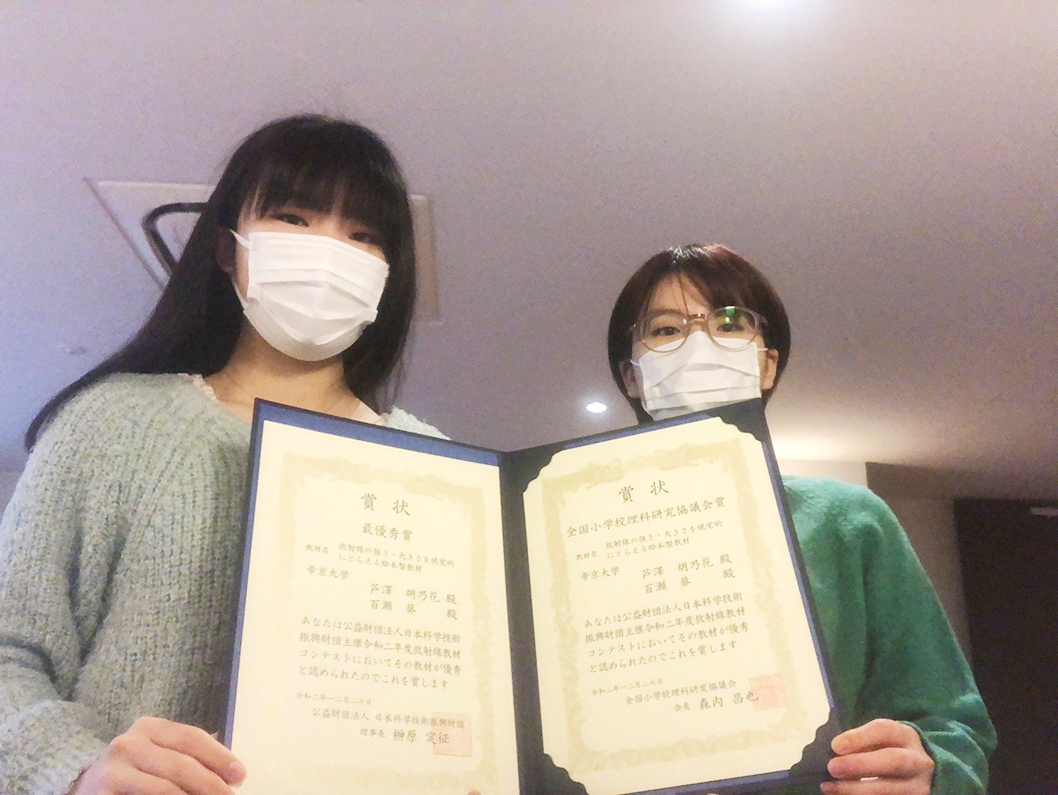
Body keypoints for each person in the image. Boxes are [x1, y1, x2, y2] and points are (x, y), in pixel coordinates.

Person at [0, 115, 444, 795]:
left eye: (364, 236)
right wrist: (77, 770)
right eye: (293, 218)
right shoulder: (113, 422)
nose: (329, 251)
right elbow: (10, 649)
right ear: (226, 247)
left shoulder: (434, 470)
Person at [605, 244, 996, 795]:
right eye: (666, 330)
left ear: (767, 363)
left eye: (729, 324)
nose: (698, 345)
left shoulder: (848, 521)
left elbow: (955, 728)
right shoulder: (574, 536)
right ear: (631, 376)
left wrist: (928, 766)